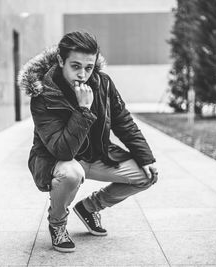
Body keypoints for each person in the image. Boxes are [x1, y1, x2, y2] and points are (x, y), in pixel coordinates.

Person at [18, 31, 158, 253]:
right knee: (71, 173)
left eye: (89, 67)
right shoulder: (43, 95)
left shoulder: (103, 84)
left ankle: (89, 208)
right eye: (75, 66)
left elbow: (124, 122)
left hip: (97, 154)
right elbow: (62, 150)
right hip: (59, 160)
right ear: (61, 61)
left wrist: (145, 157)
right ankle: (57, 224)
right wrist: (83, 109)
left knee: (147, 176)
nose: (83, 74)